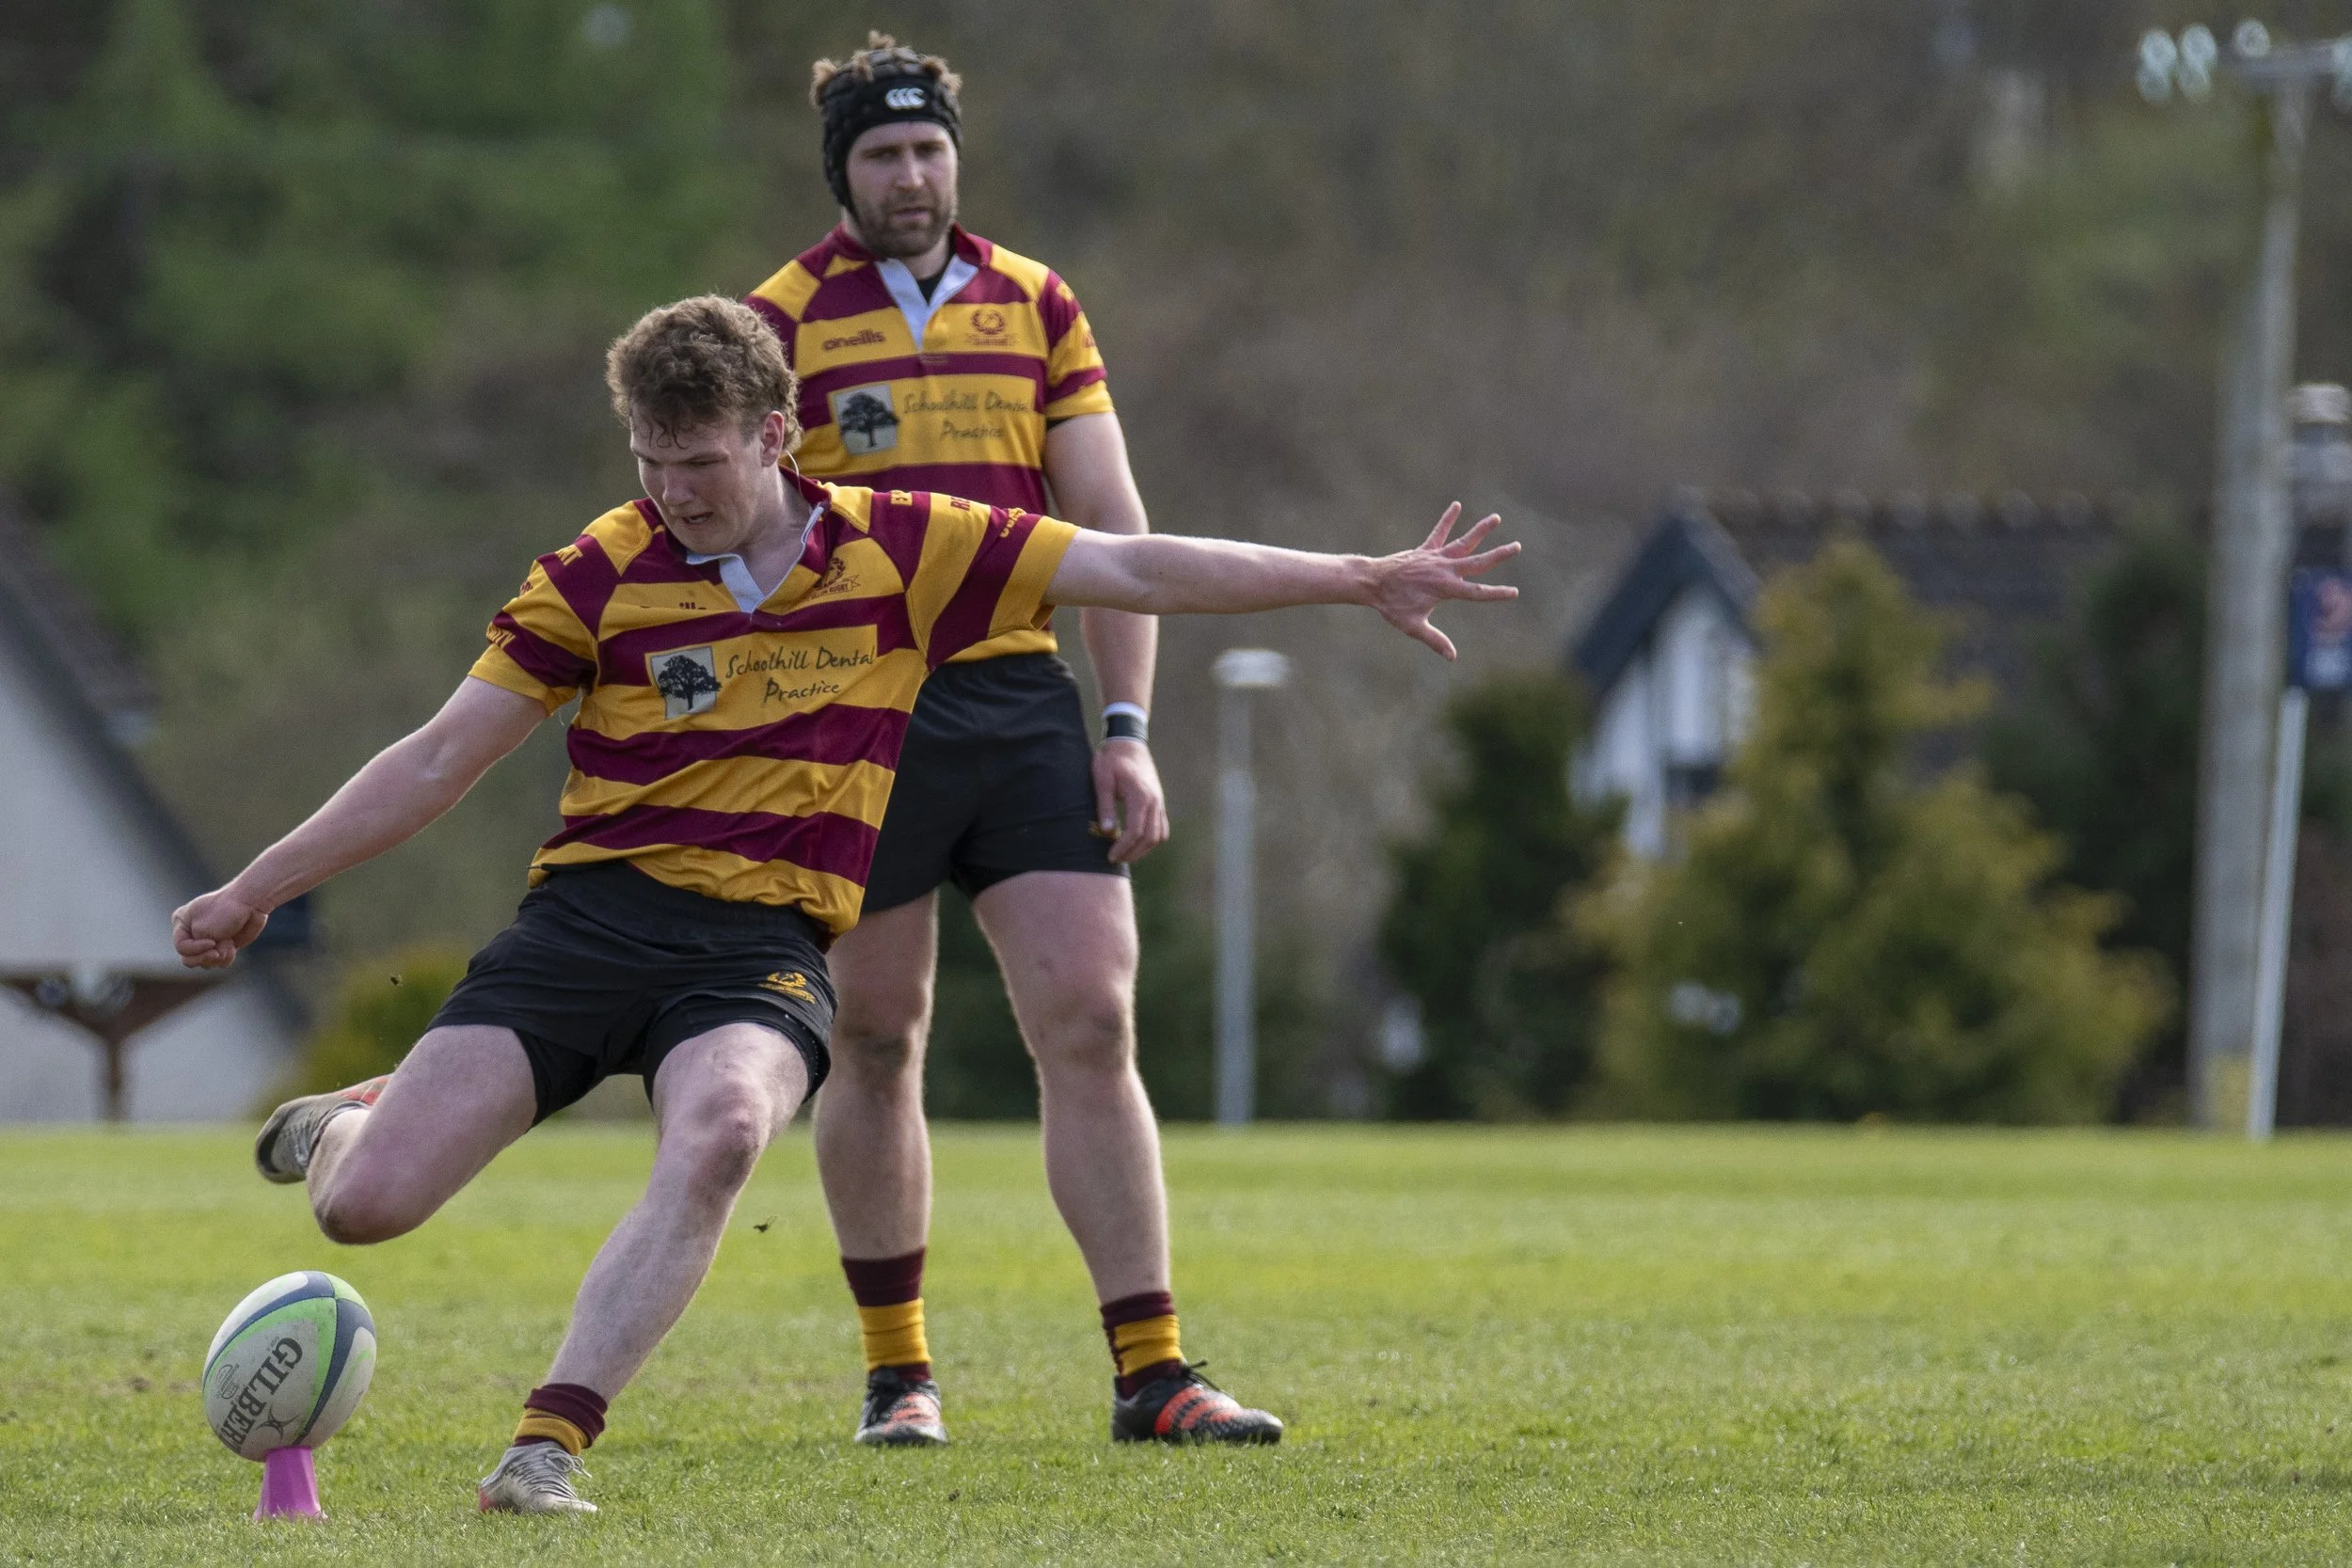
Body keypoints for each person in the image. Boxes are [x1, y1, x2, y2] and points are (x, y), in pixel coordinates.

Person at [172, 294, 1518, 1513]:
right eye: (649, 461)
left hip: (758, 950)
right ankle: (355, 1125)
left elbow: (1138, 567)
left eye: (699, 463)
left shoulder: (904, 545)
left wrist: (1358, 577)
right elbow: (436, 760)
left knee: (722, 1130)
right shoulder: (595, 572)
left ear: (777, 434)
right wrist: (256, 887)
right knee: (366, 1211)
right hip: (588, 925)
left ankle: (544, 1447)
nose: (671, 491)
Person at [739, 31, 1236, 1450]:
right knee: (875, 1035)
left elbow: (1114, 532)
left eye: (930, 149)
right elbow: (736, 540)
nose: (912, 175)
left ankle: (1154, 1372)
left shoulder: (1036, 302)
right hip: (860, 716)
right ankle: (898, 1375)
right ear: (841, 171)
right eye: (883, 153)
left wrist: (1127, 728)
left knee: (1092, 1016)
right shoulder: (774, 323)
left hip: (1020, 703)